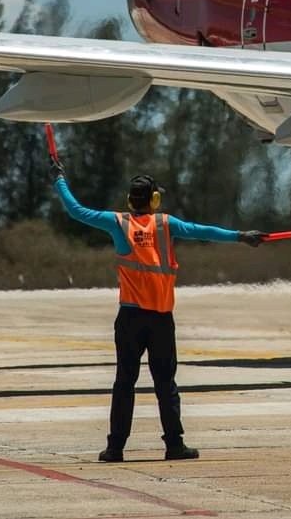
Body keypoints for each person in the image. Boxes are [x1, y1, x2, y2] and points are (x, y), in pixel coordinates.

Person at [50, 160, 266, 462]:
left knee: (124, 382)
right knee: (166, 383)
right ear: (154, 200)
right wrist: (240, 236)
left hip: (129, 319)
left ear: (130, 200)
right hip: (161, 320)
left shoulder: (116, 222)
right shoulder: (166, 224)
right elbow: (203, 231)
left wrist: (60, 179)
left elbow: (76, 210)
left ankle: (115, 448)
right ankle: (174, 445)